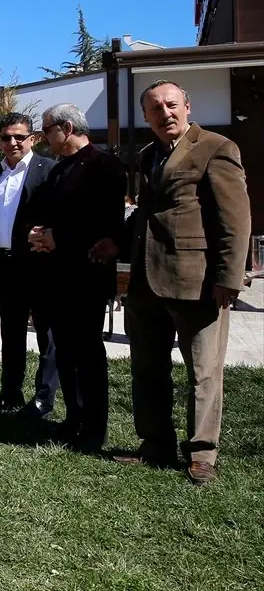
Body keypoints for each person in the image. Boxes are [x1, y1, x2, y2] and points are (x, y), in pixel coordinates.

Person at [118, 81, 250, 483]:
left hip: (199, 281)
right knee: (146, 367)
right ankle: (154, 444)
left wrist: (228, 276)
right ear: (146, 117)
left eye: (172, 105)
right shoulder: (146, 155)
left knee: (203, 371)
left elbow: (235, 218)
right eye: (155, 108)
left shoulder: (216, 147)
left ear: (187, 106)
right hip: (145, 282)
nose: (165, 113)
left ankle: (202, 454)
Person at [29, 103, 125, 454]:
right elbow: (56, 215)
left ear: (66, 128)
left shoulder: (104, 165)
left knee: (88, 354)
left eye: (46, 129)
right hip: (57, 276)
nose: (43, 137)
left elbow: (105, 225)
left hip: (86, 277)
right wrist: (42, 232)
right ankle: (73, 418)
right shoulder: (58, 171)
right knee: (65, 352)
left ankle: (93, 428)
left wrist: (59, 237)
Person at [0, 112, 57, 418]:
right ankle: (9, 394)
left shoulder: (49, 171)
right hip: (6, 266)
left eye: (19, 137)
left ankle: (43, 399)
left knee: (46, 335)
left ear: (33, 138)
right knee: (10, 334)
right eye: (6, 137)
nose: (13, 142)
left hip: (39, 265)